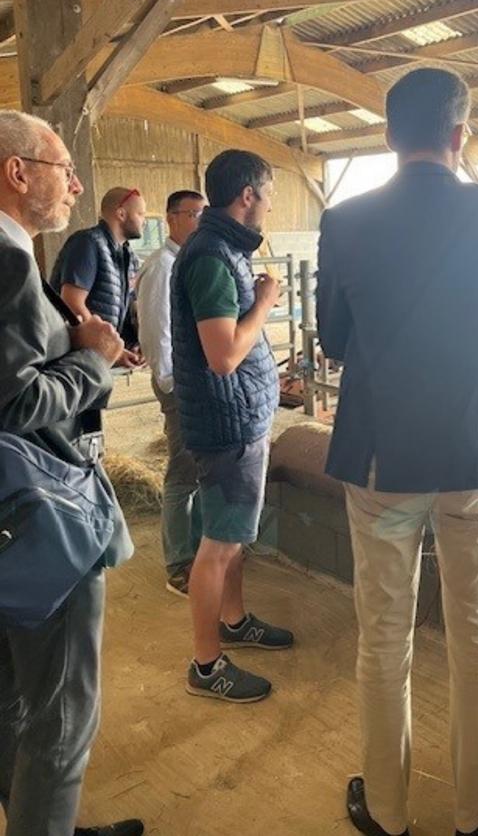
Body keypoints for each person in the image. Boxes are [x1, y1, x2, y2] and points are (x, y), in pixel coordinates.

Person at [316, 68, 478, 836]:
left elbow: (335, 341)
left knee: (383, 635)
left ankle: (385, 812)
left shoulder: (344, 221)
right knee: (477, 635)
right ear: (459, 135)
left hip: (383, 465)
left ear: (387, 135)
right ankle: (476, 812)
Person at [0, 110, 143, 836]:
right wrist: (91, 355)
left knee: (12, 699)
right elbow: (19, 399)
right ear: (18, 172)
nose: (75, 183)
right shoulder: (7, 258)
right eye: (63, 167)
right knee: (61, 717)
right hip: (37, 521)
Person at [171, 149, 294, 703]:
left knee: (233, 537)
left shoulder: (225, 250)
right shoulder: (211, 257)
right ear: (248, 195)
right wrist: (266, 301)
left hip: (239, 416)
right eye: (267, 193)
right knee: (218, 545)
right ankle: (205, 665)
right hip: (227, 424)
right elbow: (222, 355)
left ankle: (234, 620)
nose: (268, 204)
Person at [136, 189, 206, 597]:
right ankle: (178, 564)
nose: (198, 220)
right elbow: (155, 333)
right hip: (178, 383)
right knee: (181, 472)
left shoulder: (184, 263)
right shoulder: (162, 267)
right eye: (191, 213)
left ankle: (196, 550)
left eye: (203, 213)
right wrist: (171, 384)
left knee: (195, 469)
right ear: (170, 219)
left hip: (190, 382)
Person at [50, 186, 147, 367]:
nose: (144, 221)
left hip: (98, 357)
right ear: (121, 214)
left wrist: (133, 344)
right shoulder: (88, 243)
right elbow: (72, 303)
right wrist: (110, 349)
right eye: (140, 214)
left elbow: (127, 310)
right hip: (73, 357)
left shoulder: (129, 257)